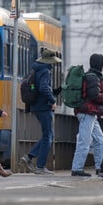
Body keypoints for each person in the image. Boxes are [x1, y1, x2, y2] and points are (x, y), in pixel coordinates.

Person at [19, 47, 61, 175]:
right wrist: (53, 100)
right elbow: (43, 88)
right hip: (43, 106)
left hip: (36, 105)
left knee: (48, 135)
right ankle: (40, 166)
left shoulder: (36, 69)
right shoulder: (45, 71)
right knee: (48, 136)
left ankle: (30, 157)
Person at [70, 53, 103, 177]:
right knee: (85, 141)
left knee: (99, 139)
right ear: (99, 63)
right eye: (102, 63)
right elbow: (95, 96)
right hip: (86, 112)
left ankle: (101, 167)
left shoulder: (92, 75)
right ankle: (77, 168)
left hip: (89, 112)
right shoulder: (93, 77)